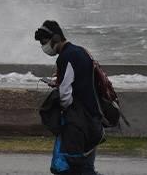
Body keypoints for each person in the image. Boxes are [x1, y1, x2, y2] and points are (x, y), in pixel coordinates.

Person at [35, 20, 104, 175]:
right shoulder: (81, 51)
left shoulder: (66, 56)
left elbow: (66, 95)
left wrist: (62, 105)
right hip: (93, 118)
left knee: (72, 167)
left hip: (78, 122)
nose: (44, 47)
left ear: (57, 38)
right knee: (86, 165)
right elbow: (82, 81)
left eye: (45, 42)